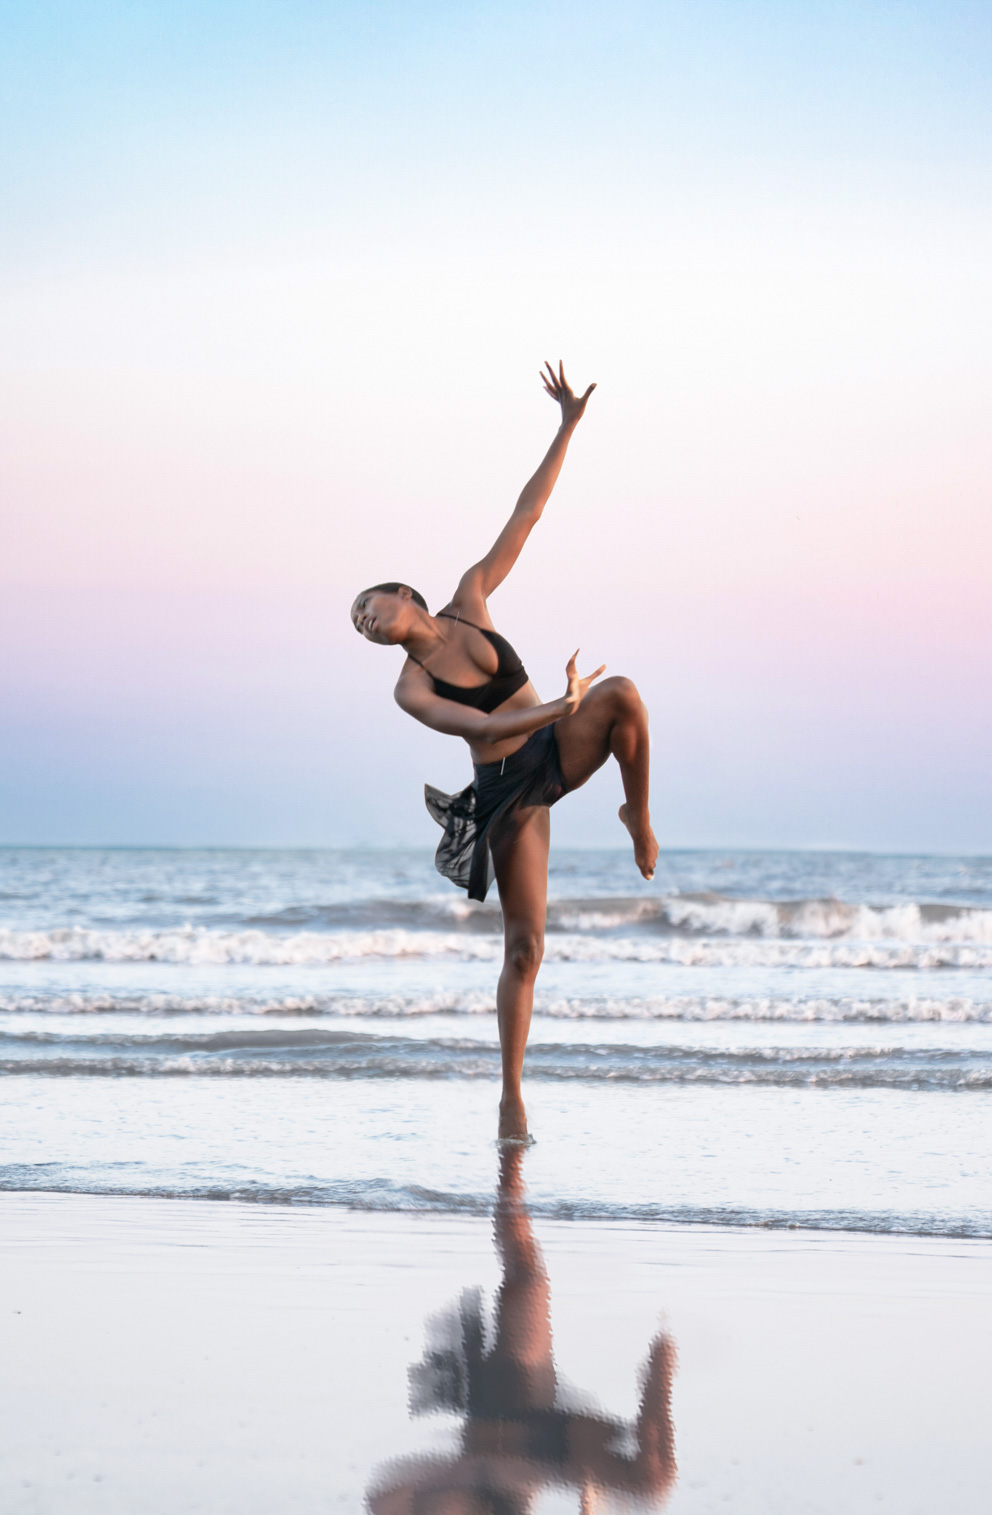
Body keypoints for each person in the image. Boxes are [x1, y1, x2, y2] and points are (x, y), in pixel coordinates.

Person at [351, 363, 658, 1140]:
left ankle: (637, 811)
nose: (366, 620)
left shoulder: (471, 596)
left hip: (559, 742)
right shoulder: (410, 688)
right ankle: (511, 1093)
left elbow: (528, 514)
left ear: (405, 596)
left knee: (624, 692)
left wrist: (565, 428)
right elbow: (482, 731)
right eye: (358, 623)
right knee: (526, 948)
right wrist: (560, 703)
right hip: (509, 793)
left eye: (370, 605)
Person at [367, 1145, 677, 1514]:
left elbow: (385, 1498)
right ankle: (663, 1357)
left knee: (527, 1278)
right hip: (548, 1449)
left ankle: (510, 1163)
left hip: (505, 1416)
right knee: (654, 1481)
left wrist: (481, 1472)